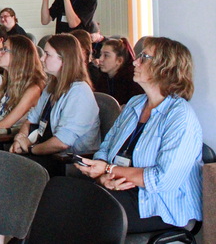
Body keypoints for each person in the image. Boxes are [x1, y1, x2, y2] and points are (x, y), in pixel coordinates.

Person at [76, 37, 202, 234]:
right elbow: (106, 147)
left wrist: (110, 169)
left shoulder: (180, 116)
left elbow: (162, 180)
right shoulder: (135, 103)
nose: (135, 61)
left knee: (84, 213)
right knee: (61, 196)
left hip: (159, 204)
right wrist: (103, 177)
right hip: (121, 188)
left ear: (165, 67)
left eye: (144, 57)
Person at [10, 34, 100, 177]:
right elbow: (31, 120)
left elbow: (62, 143)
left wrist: (30, 148)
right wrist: (20, 138)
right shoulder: (51, 86)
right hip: (45, 152)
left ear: (64, 60)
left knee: (11, 171)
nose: (41, 59)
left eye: (47, 54)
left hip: (66, 161)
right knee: (3, 163)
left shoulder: (79, 92)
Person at [0, 36, 46, 140]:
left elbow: (7, 123)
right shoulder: (6, 83)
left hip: (1, 140)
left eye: (5, 50)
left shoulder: (33, 89)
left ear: (19, 56)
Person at [94, 37, 144, 105]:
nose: (100, 59)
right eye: (101, 54)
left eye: (106, 55)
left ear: (119, 60)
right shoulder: (101, 78)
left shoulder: (132, 82)